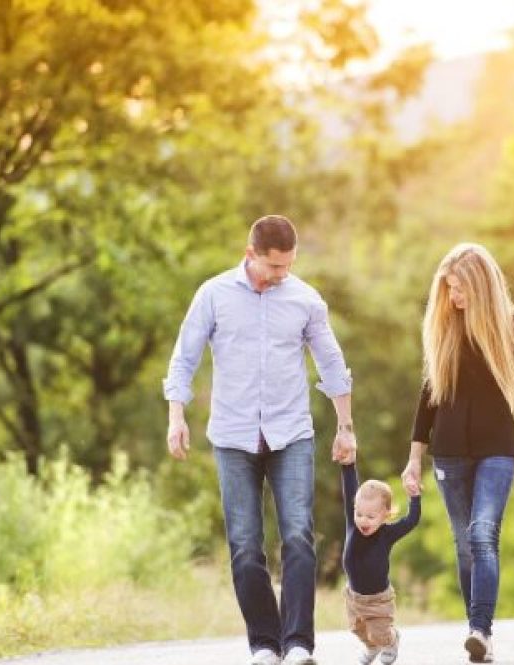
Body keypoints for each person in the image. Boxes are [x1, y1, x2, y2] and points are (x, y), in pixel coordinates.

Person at [163, 215, 357, 665]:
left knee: (298, 537)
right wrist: (177, 416)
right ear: (251, 254)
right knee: (246, 544)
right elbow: (184, 356)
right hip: (232, 436)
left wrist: (345, 426)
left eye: (288, 266)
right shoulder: (213, 295)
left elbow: (331, 361)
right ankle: (265, 644)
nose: (282, 275)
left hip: (291, 433)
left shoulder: (305, 300)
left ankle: (298, 644)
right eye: (274, 267)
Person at [400, 242, 514, 663]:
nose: (454, 297)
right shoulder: (443, 326)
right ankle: (476, 632)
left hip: (497, 449)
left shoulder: (513, 325)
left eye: (461, 288)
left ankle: (480, 630)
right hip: (448, 452)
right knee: (464, 544)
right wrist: (414, 458)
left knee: (483, 535)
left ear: (482, 285)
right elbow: (428, 397)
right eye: (448, 288)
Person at [340, 462, 420, 665]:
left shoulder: (387, 534)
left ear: (385, 514)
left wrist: (415, 497)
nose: (363, 521)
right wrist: (348, 465)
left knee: (379, 632)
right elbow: (350, 486)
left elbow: (411, 520)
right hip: (353, 596)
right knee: (357, 629)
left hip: (378, 600)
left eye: (371, 516)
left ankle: (391, 640)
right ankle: (372, 647)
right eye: (359, 514)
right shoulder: (353, 525)